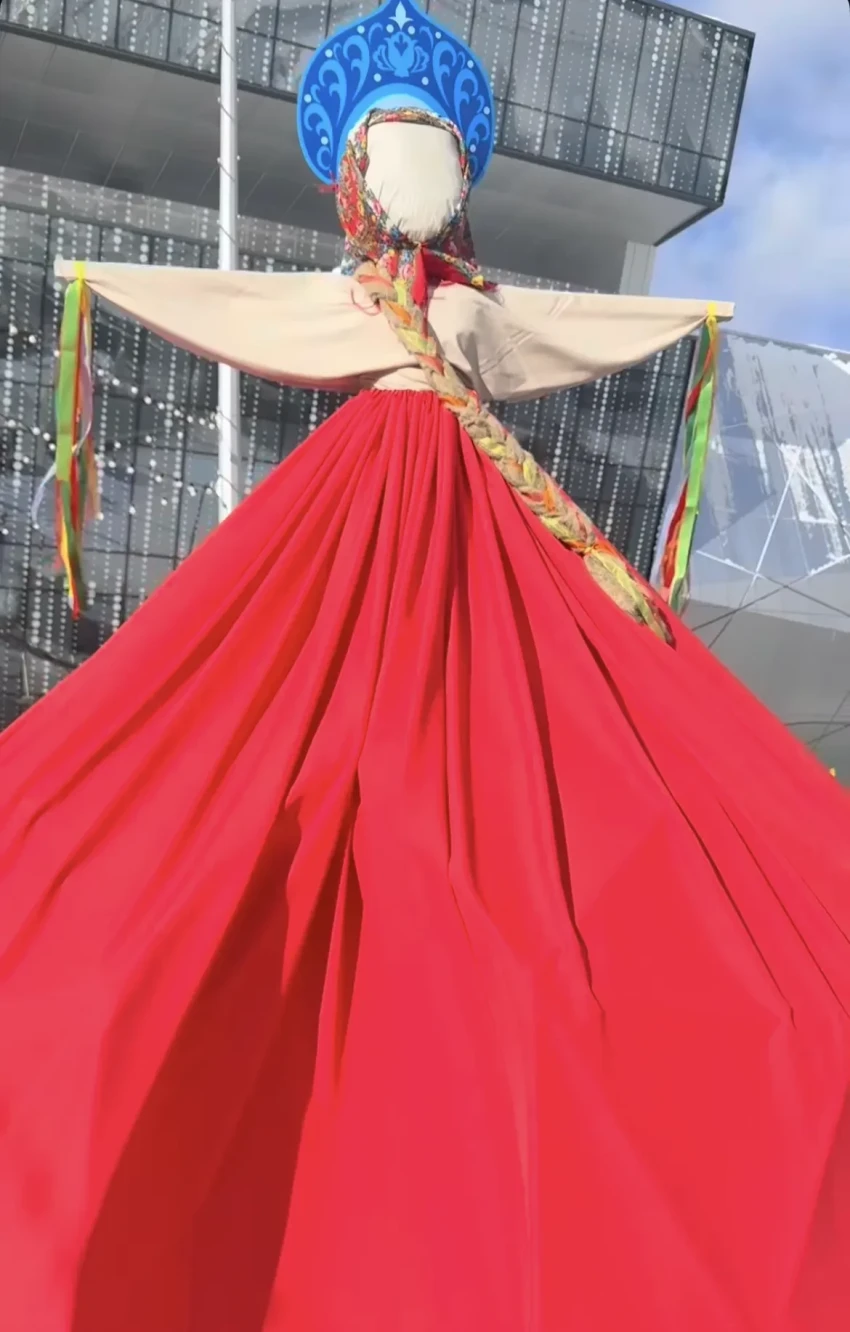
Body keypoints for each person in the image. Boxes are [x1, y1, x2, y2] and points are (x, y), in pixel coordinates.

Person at [1, 2, 848, 1329]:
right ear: (356, 180)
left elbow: (556, 333)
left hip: (472, 533)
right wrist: (105, 285)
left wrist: (689, 315)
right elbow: (251, 311)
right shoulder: (357, 305)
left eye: (433, 151)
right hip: (343, 534)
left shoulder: (473, 314)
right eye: (395, 150)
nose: (417, 175)